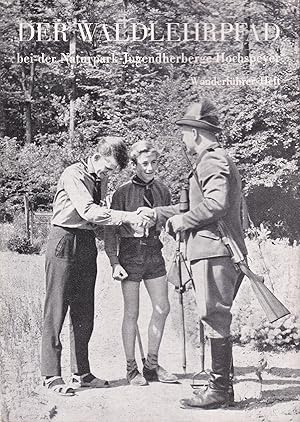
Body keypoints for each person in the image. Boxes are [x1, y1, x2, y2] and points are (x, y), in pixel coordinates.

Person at [138, 99, 247, 408]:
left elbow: (216, 205)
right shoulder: (207, 162)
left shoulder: (212, 160)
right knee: (214, 316)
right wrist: (158, 213)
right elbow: (193, 206)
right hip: (209, 249)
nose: (183, 139)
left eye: (184, 133)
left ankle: (218, 391)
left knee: (214, 316)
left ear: (196, 133)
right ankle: (222, 388)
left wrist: (181, 221)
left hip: (215, 250)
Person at [41, 136, 145, 396]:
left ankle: (82, 373)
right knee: (56, 309)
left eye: (111, 171)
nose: (107, 174)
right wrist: (128, 216)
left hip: (86, 242)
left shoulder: (102, 178)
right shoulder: (72, 174)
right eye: (107, 168)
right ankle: (51, 375)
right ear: (96, 156)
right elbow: (88, 211)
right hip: (64, 239)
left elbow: (101, 220)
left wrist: (115, 253)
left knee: (84, 310)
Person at [104, 141, 178, 386]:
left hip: (154, 252)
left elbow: (170, 222)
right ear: (134, 165)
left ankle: (152, 365)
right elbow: (110, 231)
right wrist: (114, 261)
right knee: (131, 313)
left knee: (162, 308)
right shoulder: (122, 193)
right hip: (130, 253)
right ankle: (131, 369)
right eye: (144, 164)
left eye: (154, 163)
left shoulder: (163, 190)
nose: (150, 168)